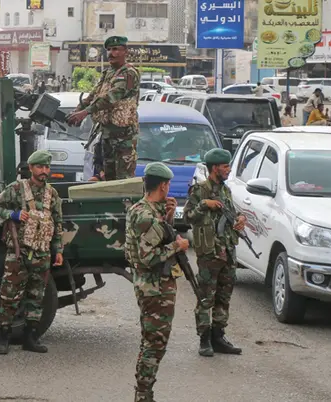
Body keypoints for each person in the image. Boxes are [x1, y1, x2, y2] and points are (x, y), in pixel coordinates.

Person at [0, 150, 64, 355]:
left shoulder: (52, 194)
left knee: (36, 295)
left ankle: (31, 337)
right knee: (9, 294)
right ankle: (3, 336)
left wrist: (58, 249)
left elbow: (57, 223)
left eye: (47, 167)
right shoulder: (17, 189)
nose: (44, 171)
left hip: (42, 252)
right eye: (40, 167)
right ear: (31, 168)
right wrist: (12, 214)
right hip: (19, 251)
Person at [125, 162, 188, 402]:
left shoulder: (143, 209)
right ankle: (143, 394)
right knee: (154, 343)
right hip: (154, 288)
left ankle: (145, 391)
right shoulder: (146, 216)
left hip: (153, 285)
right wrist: (177, 246)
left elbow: (155, 240)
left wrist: (168, 217)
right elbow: (149, 256)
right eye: (168, 184)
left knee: (152, 341)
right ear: (163, 185)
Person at [184, 148, 245, 358]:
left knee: (224, 297)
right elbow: (188, 217)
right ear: (214, 168)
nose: (228, 170)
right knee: (205, 298)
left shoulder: (226, 190)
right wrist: (204, 204)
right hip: (210, 254)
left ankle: (219, 336)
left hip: (227, 251)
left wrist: (239, 220)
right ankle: (204, 339)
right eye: (225, 166)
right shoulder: (200, 190)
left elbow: (231, 213)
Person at [67, 36, 140, 181]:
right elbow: (93, 95)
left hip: (123, 138)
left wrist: (85, 113)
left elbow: (111, 97)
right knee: (108, 180)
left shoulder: (129, 73)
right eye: (108, 50)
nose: (111, 53)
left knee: (123, 182)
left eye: (115, 49)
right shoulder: (108, 73)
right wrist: (76, 111)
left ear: (125, 51)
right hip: (107, 137)